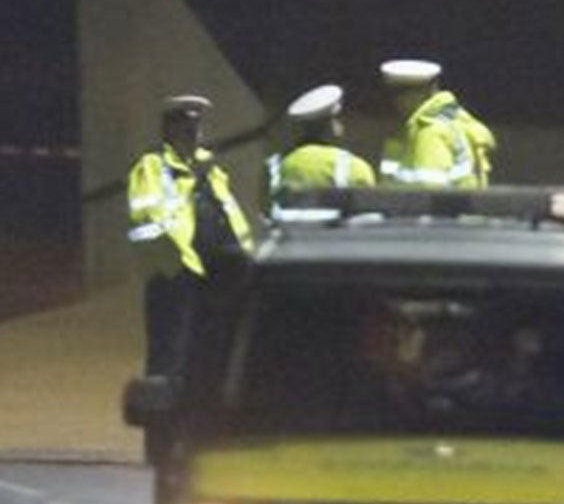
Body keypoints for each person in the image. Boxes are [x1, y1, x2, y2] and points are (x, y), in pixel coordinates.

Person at [126, 94, 254, 388]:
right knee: (169, 355)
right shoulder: (152, 167)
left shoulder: (210, 168)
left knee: (211, 352)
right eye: (186, 125)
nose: (194, 133)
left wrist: (242, 258)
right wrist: (173, 267)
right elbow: (146, 223)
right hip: (176, 276)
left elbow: (231, 214)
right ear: (169, 130)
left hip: (216, 274)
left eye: (197, 126)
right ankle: (162, 424)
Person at [377, 58, 496, 189]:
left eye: (398, 93)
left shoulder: (429, 132)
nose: (394, 102)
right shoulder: (452, 121)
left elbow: (428, 197)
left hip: (428, 210)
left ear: (421, 93)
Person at [263, 83, 374, 218]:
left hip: (288, 237)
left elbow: (264, 209)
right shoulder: (355, 168)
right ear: (333, 125)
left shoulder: (272, 167)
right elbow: (367, 219)